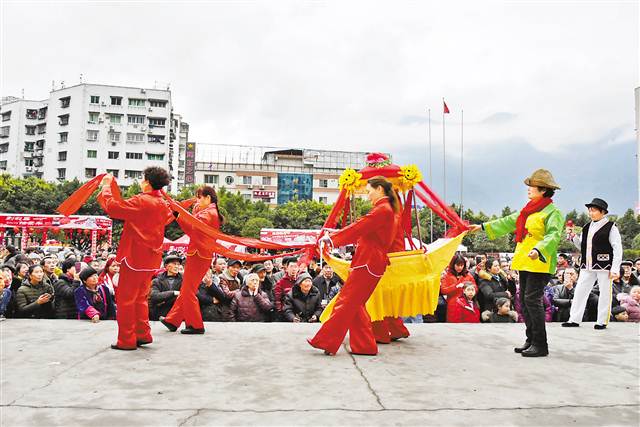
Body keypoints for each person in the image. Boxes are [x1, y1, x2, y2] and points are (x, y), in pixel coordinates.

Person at [470, 169, 564, 357]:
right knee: (523, 300)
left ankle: (540, 344)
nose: (528, 189)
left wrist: (539, 249)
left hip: (539, 261)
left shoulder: (553, 213)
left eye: (532, 186)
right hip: (524, 260)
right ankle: (531, 340)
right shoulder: (528, 210)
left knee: (532, 300)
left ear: (543, 190)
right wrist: (482, 227)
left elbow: (554, 235)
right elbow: (508, 221)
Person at [308, 176, 400, 356]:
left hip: (368, 262)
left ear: (379, 189)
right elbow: (361, 228)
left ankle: (326, 341)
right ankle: (365, 346)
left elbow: (358, 228)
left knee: (346, 303)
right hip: (368, 262)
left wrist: (333, 239)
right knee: (355, 305)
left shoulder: (382, 210)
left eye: (369, 191)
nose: (368, 195)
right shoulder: (385, 209)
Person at [98, 166, 173, 350]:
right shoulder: (163, 203)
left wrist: (106, 187)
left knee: (126, 299)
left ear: (147, 181)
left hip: (134, 257)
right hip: (151, 258)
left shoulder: (142, 200)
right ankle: (142, 334)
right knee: (140, 298)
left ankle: (126, 340)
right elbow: (167, 218)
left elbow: (114, 208)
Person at [162, 186, 224, 335]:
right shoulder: (209, 212)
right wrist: (182, 212)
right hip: (201, 254)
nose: (198, 200)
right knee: (187, 289)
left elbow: (191, 227)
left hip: (198, 254)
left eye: (200, 197)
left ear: (208, 198)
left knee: (188, 290)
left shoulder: (208, 213)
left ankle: (196, 324)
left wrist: (178, 213)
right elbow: (192, 226)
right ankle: (173, 320)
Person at [563, 198, 623, 330]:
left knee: (605, 293)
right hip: (587, 265)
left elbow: (617, 248)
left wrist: (615, 268)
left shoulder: (611, 227)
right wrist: (573, 237)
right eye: (589, 210)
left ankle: (602, 321)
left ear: (603, 212)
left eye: (593, 210)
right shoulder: (586, 227)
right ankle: (574, 319)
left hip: (605, 264)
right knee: (579, 291)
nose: (590, 213)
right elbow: (582, 246)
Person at [440, 254, 477, 322]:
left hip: (467, 304)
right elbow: (443, 290)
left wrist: (468, 288)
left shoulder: (468, 275)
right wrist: (456, 286)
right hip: (453, 305)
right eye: (457, 265)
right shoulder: (447, 275)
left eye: (462, 265)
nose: (460, 267)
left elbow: (476, 288)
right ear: (453, 264)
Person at [151, 255, 183, 322]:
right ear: (166, 266)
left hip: (178, 318)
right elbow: (154, 296)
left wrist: (164, 299)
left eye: (178, 264)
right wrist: (174, 293)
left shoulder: (184, 280)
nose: (177, 266)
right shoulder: (157, 281)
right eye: (174, 264)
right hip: (159, 317)